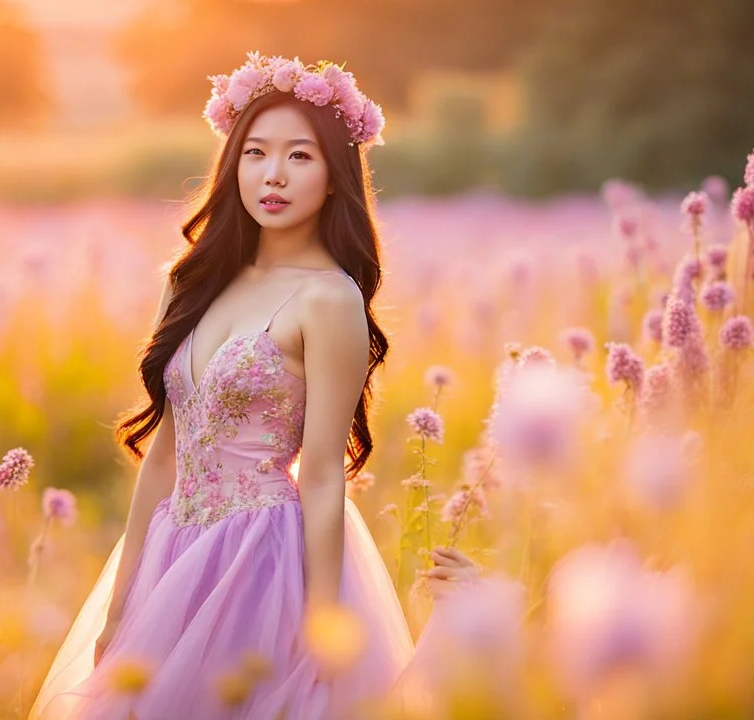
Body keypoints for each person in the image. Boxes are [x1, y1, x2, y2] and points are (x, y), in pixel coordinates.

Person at [28, 52, 478, 719]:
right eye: (256, 153)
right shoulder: (190, 285)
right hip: (171, 550)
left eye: (300, 157)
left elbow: (322, 472)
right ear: (232, 163)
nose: (273, 175)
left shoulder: (329, 300)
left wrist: (323, 617)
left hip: (261, 559)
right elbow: (164, 455)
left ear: (333, 177)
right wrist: (122, 602)